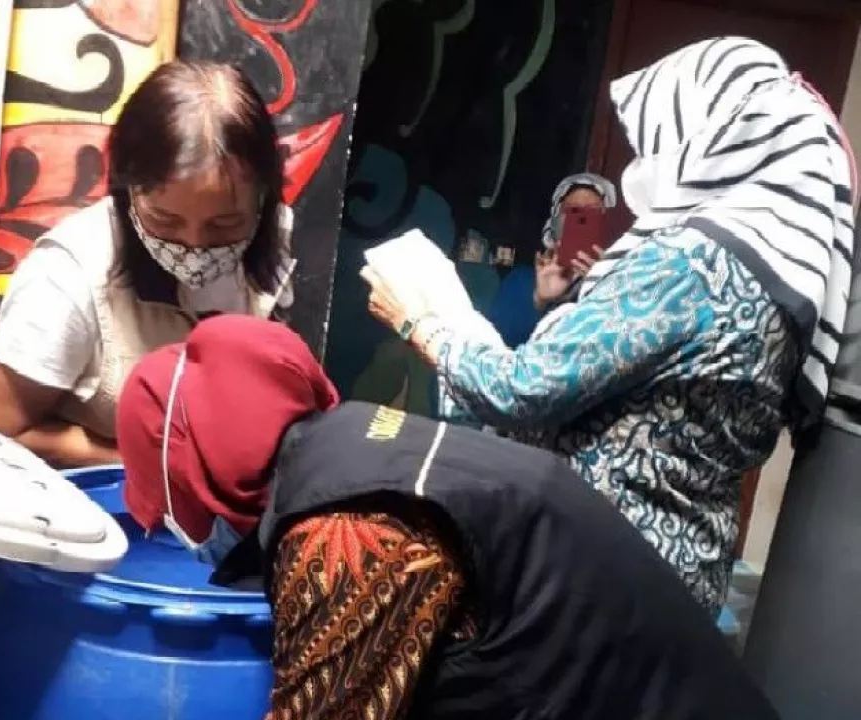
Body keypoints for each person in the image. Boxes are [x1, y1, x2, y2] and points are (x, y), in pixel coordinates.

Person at [362, 36, 856, 614]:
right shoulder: (778, 280)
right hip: (672, 584)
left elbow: (523, 389)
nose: (645, 161)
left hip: (593, 583)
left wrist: (420, 321)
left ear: (712, 135)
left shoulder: (689, 265)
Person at [114, 314, 778, 720]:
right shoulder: (356, 442)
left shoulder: (346, 530)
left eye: (166, 505)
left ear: (190, 474)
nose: (176, 530)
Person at [0, 60, 294, 468]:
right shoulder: (65, 278)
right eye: (165, 220)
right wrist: (148, 465)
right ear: (129, 192)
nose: (194, 245)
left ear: (263, 201)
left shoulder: (273, 238)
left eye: (224, 224)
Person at [487, 173, 616, 345]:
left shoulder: (617, 285)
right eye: (573, 210)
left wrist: (601, 290)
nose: (582, 219)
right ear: (555, 222)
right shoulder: (521, 280)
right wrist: (540, 301)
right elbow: (497, 347)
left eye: (593, 212)